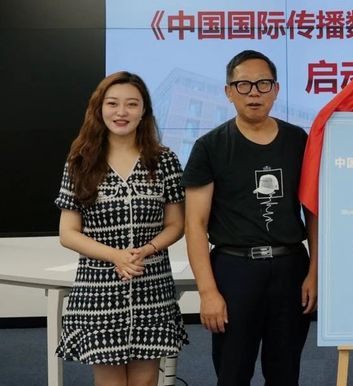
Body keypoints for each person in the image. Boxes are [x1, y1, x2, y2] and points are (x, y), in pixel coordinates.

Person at [183, 49, 317, 386]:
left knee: (285, 373)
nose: (254, 92)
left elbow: (312, 213)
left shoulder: (298, 141)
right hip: (234, 271)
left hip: (290, 269)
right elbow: (195, 224)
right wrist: (207, 292)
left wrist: (314, 273)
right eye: (243, 85)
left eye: (263, 84)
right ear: (229, 92)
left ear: (276, 89)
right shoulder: (210, 146)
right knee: (233, 373)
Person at [55, 71, 188, 386]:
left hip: (151, 285)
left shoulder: (164, 160)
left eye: (132, 104)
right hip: (99, 289)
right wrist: (116, 255)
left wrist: (147, 250)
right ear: (99, 108)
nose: (121, 112)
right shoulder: (80, 162)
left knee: (145, 382)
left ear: (144, 111)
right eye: (113, 103)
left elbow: (176, 224)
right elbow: (68, 232)